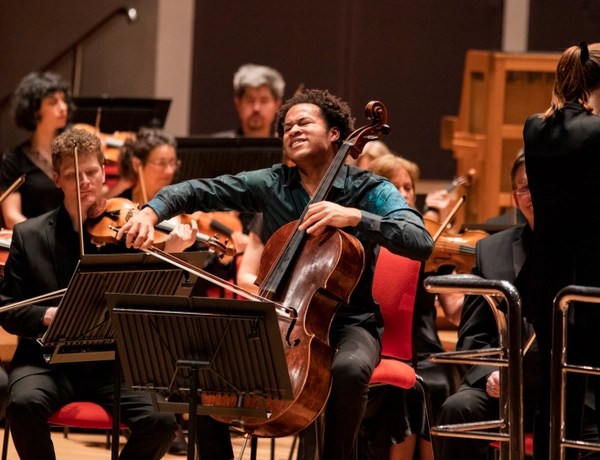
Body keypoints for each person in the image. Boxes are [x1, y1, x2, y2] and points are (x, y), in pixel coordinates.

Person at [117, 88, 434, 460]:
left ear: (335, 133)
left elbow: (419, 240)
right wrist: (151, 212)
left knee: (349, 371)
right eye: (287, 127)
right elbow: (199, 191)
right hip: (281, 319)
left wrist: (356, 217)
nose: (293, 130)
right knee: (204, 377)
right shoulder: (272, 184)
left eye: (304, 123)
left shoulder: (370, 190)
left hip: (351, 322)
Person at [0, 128, 197, 460]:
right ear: (56, 179)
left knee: (161, 423)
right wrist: (47, 315)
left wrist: (172, 253)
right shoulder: (28, 235)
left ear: (104, 172)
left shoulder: (128, 232)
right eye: (72, 175)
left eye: (91, 172)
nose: (84, 182)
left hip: (112, 364)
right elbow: (8, 310)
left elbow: (152, 299)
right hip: (46, 363)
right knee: (22, 404)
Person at [523, 42, 600, 459]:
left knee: (554, 394)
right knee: (585, 385)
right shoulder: (595, 131)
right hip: (590, 279)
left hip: (547, 280)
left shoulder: (534, 128)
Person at [357, 153, 462, 460]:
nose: (403, 194)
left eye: (409, 187)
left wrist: (476, 285)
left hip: (426, 349)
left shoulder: (429, 242)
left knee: (438, 383)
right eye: (394, 187)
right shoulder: (363, 242)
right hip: (376, 345)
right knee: (402, 390)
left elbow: (455, 311)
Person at [1, 71, 71, 228]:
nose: (63, 107)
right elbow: (11, 216)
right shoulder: (14, 160)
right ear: (34, 110)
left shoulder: (74, 153)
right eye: (53, 102)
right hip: (33, 237)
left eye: (64, 100)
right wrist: (41, 236)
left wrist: (123, 182)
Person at [212, 63, 285, 138]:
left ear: (277, 105)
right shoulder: (217, 144)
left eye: (264, 101)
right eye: (250, 101)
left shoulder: (286, 144)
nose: (256, 108)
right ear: (238, 104)